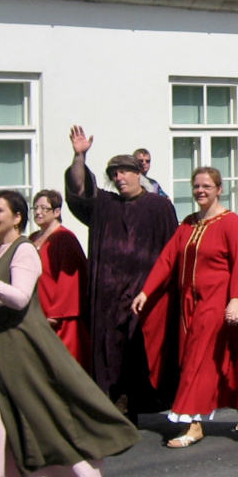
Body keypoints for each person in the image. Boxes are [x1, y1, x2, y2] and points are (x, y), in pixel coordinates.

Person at [0, 190, 139, 477]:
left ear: (16, 217)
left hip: (16, 345)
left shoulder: (25, 251)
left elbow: (20, 297)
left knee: (35, 415)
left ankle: (71, 471)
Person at [133, 166, 238, 448]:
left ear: (219, 189)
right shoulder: (189, 223)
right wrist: (146, 290)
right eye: (196, 186)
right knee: (218, 360)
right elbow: (168, 259)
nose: (200, 191)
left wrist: (236, 300)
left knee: (198, 359)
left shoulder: (230, 223)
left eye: (206, 186)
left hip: (217, 302)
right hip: (188, 304)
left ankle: (192, 423)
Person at [64, 125, 179, 414]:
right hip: (109, 297)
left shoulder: (159, 207)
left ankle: (144, 401)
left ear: (139, 173)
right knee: (109, 352)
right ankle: (116, 404)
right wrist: (80, 157)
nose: (119, 177)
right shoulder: (105, 205)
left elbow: (171, 253)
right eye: (114, 173)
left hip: (144, 294)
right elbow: (79, 191)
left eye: (124, 171)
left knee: (141, 349)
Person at [29, 190, 87, 363]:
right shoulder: (32, 238)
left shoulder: (64, 238)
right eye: (35, 208)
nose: (38, 212)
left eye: (44, 208)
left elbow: (70, 279)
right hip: (37, 310)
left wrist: (56, 314)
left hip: (60, 316)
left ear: (56, 212)